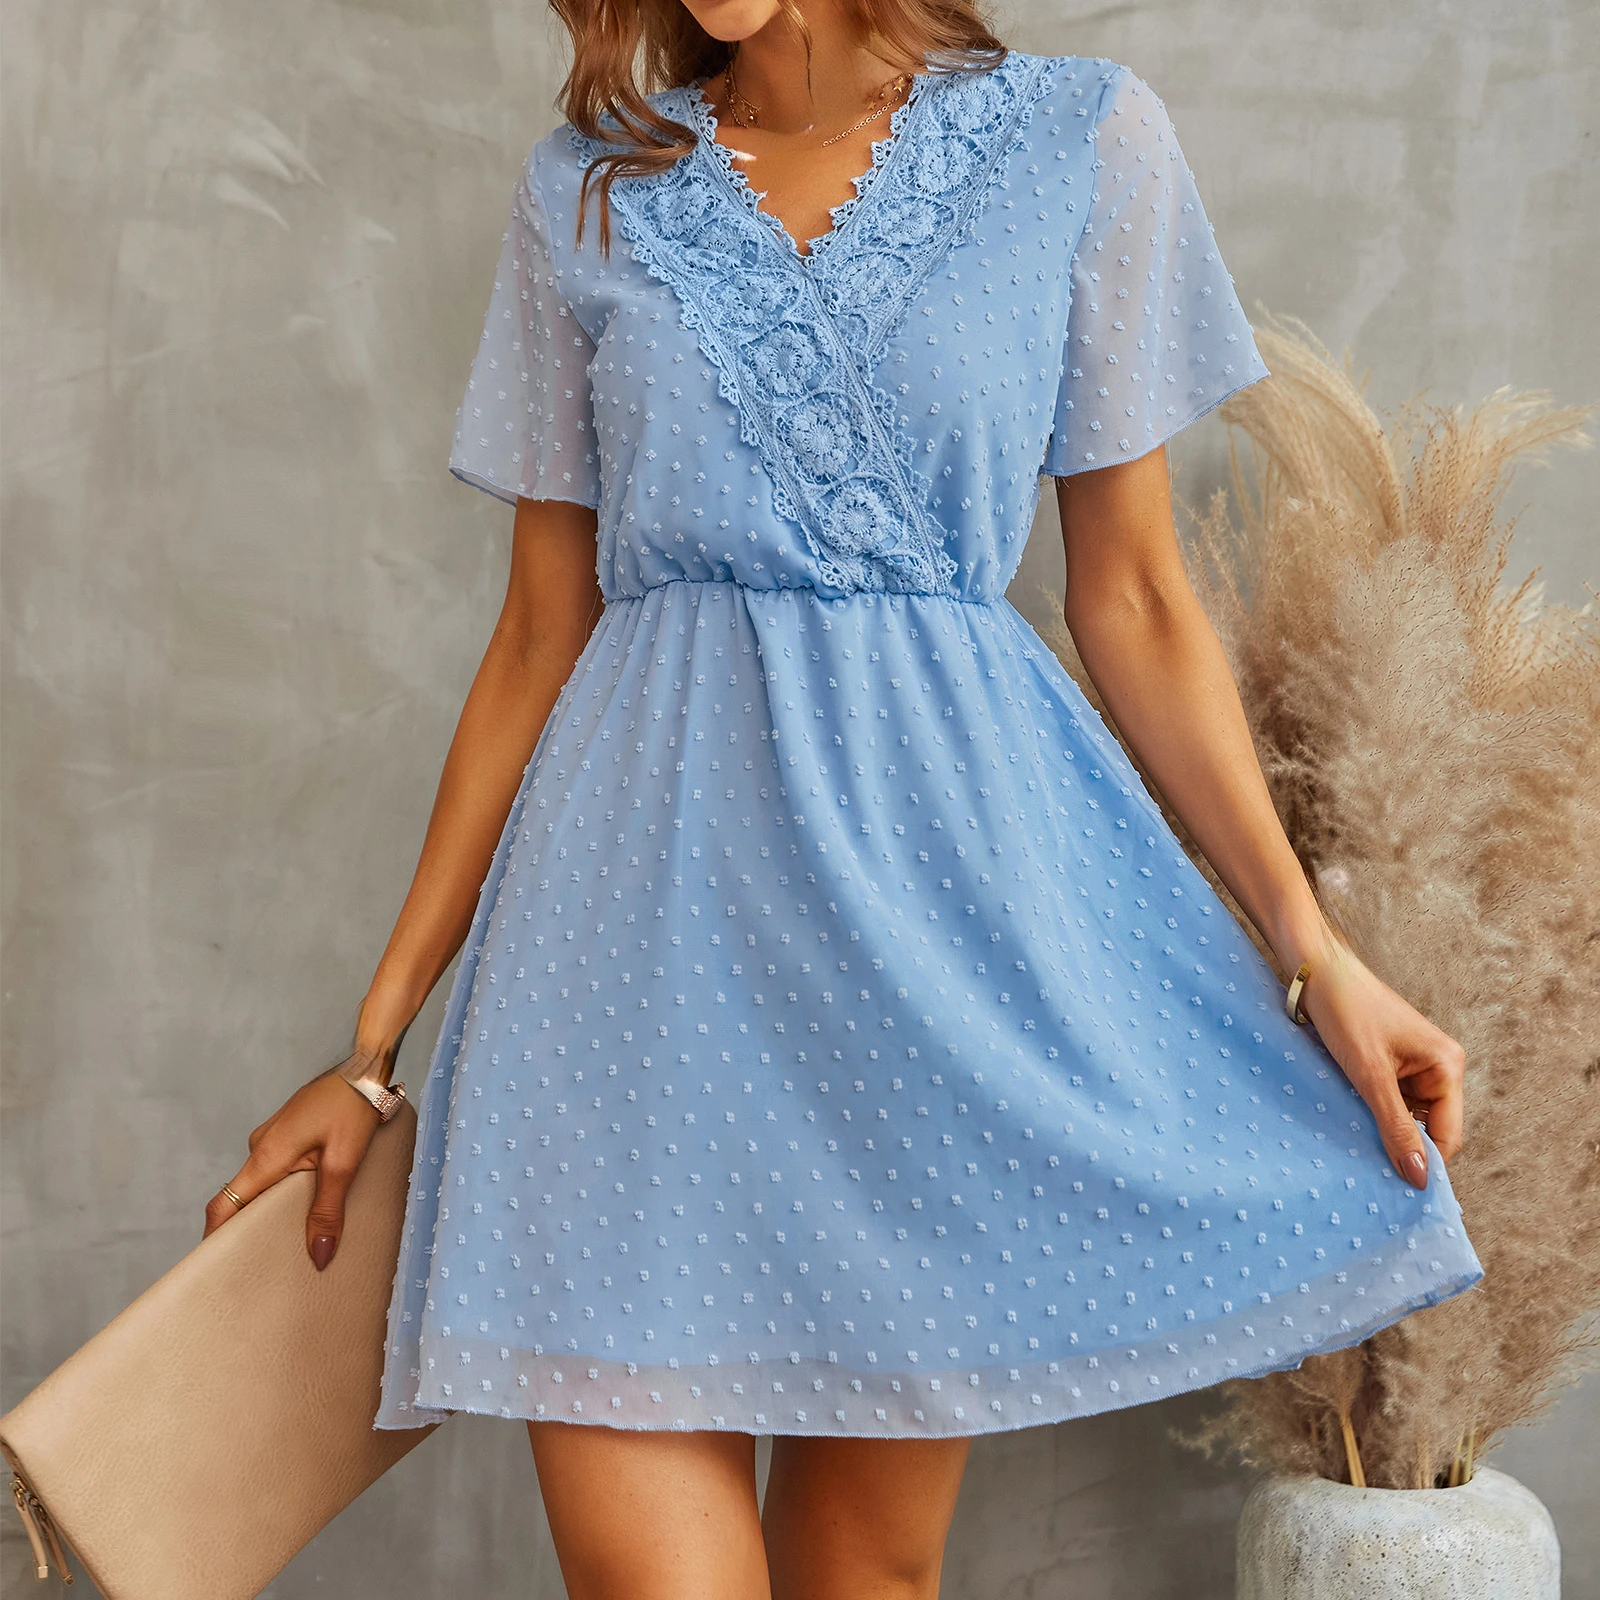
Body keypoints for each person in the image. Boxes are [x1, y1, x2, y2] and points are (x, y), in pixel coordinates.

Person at [203, 1, 1483, 1593]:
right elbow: (537, 634)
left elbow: (1139, 600)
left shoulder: (1083, 142)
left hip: (927, 944)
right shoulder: (589, 186)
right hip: (629, 958)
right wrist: (373, 1050)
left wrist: (1314, 955)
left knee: (865, 1571)